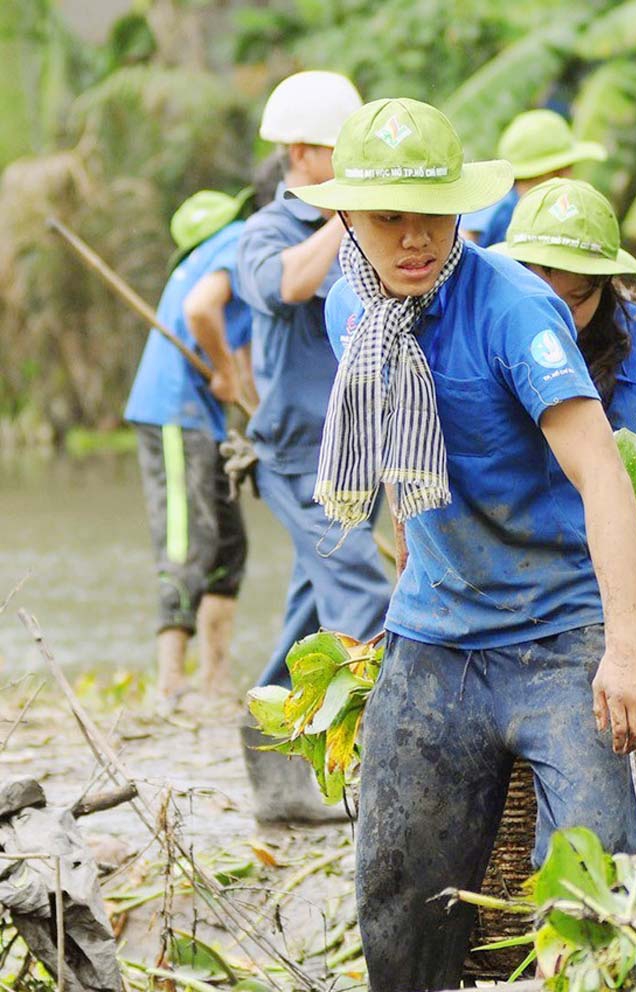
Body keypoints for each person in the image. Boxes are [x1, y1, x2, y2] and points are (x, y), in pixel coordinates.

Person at [293, 98, 636, 990]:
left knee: (591, 891)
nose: (414, 238)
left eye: (434, 212)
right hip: (438, 635)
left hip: (561, 631)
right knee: (398, 894)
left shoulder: (514, 310)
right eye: (388, 217)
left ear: (464, 207)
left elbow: (605, 477)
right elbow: (398, 459)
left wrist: (626, 645)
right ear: (348, 217)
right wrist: (405, 597)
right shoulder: (351, 306)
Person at [235, 70, 389, 824]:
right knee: (365, 596)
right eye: (340, 151)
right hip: (298, 456)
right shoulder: (267, 233)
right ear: (300, 154)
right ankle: (377, 758)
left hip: (363, 447)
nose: (352, 161)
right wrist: (348, 215)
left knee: (311, 615)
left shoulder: (369, 229)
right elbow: (290, 286)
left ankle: (266, 744)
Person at [123, 189, 254, 704]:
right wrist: (224, 373)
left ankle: (214, 680)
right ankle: (170, 682)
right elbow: (204, 316)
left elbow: (237, 355)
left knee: (228, 546)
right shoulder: (237, 240)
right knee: (187, 541)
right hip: (174, 412)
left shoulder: (207, 257)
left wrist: (256, 414)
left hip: (204, 420)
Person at [493, 177, 636, 437]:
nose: (560, 317)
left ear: (605, 285)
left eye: (577, 298)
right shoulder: (486, 331)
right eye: (544, 300)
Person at [459, 109, 606, 246]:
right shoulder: (499, 205)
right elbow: (464, 240)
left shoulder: (549, 212)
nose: (570, 176)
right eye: (563, 169)